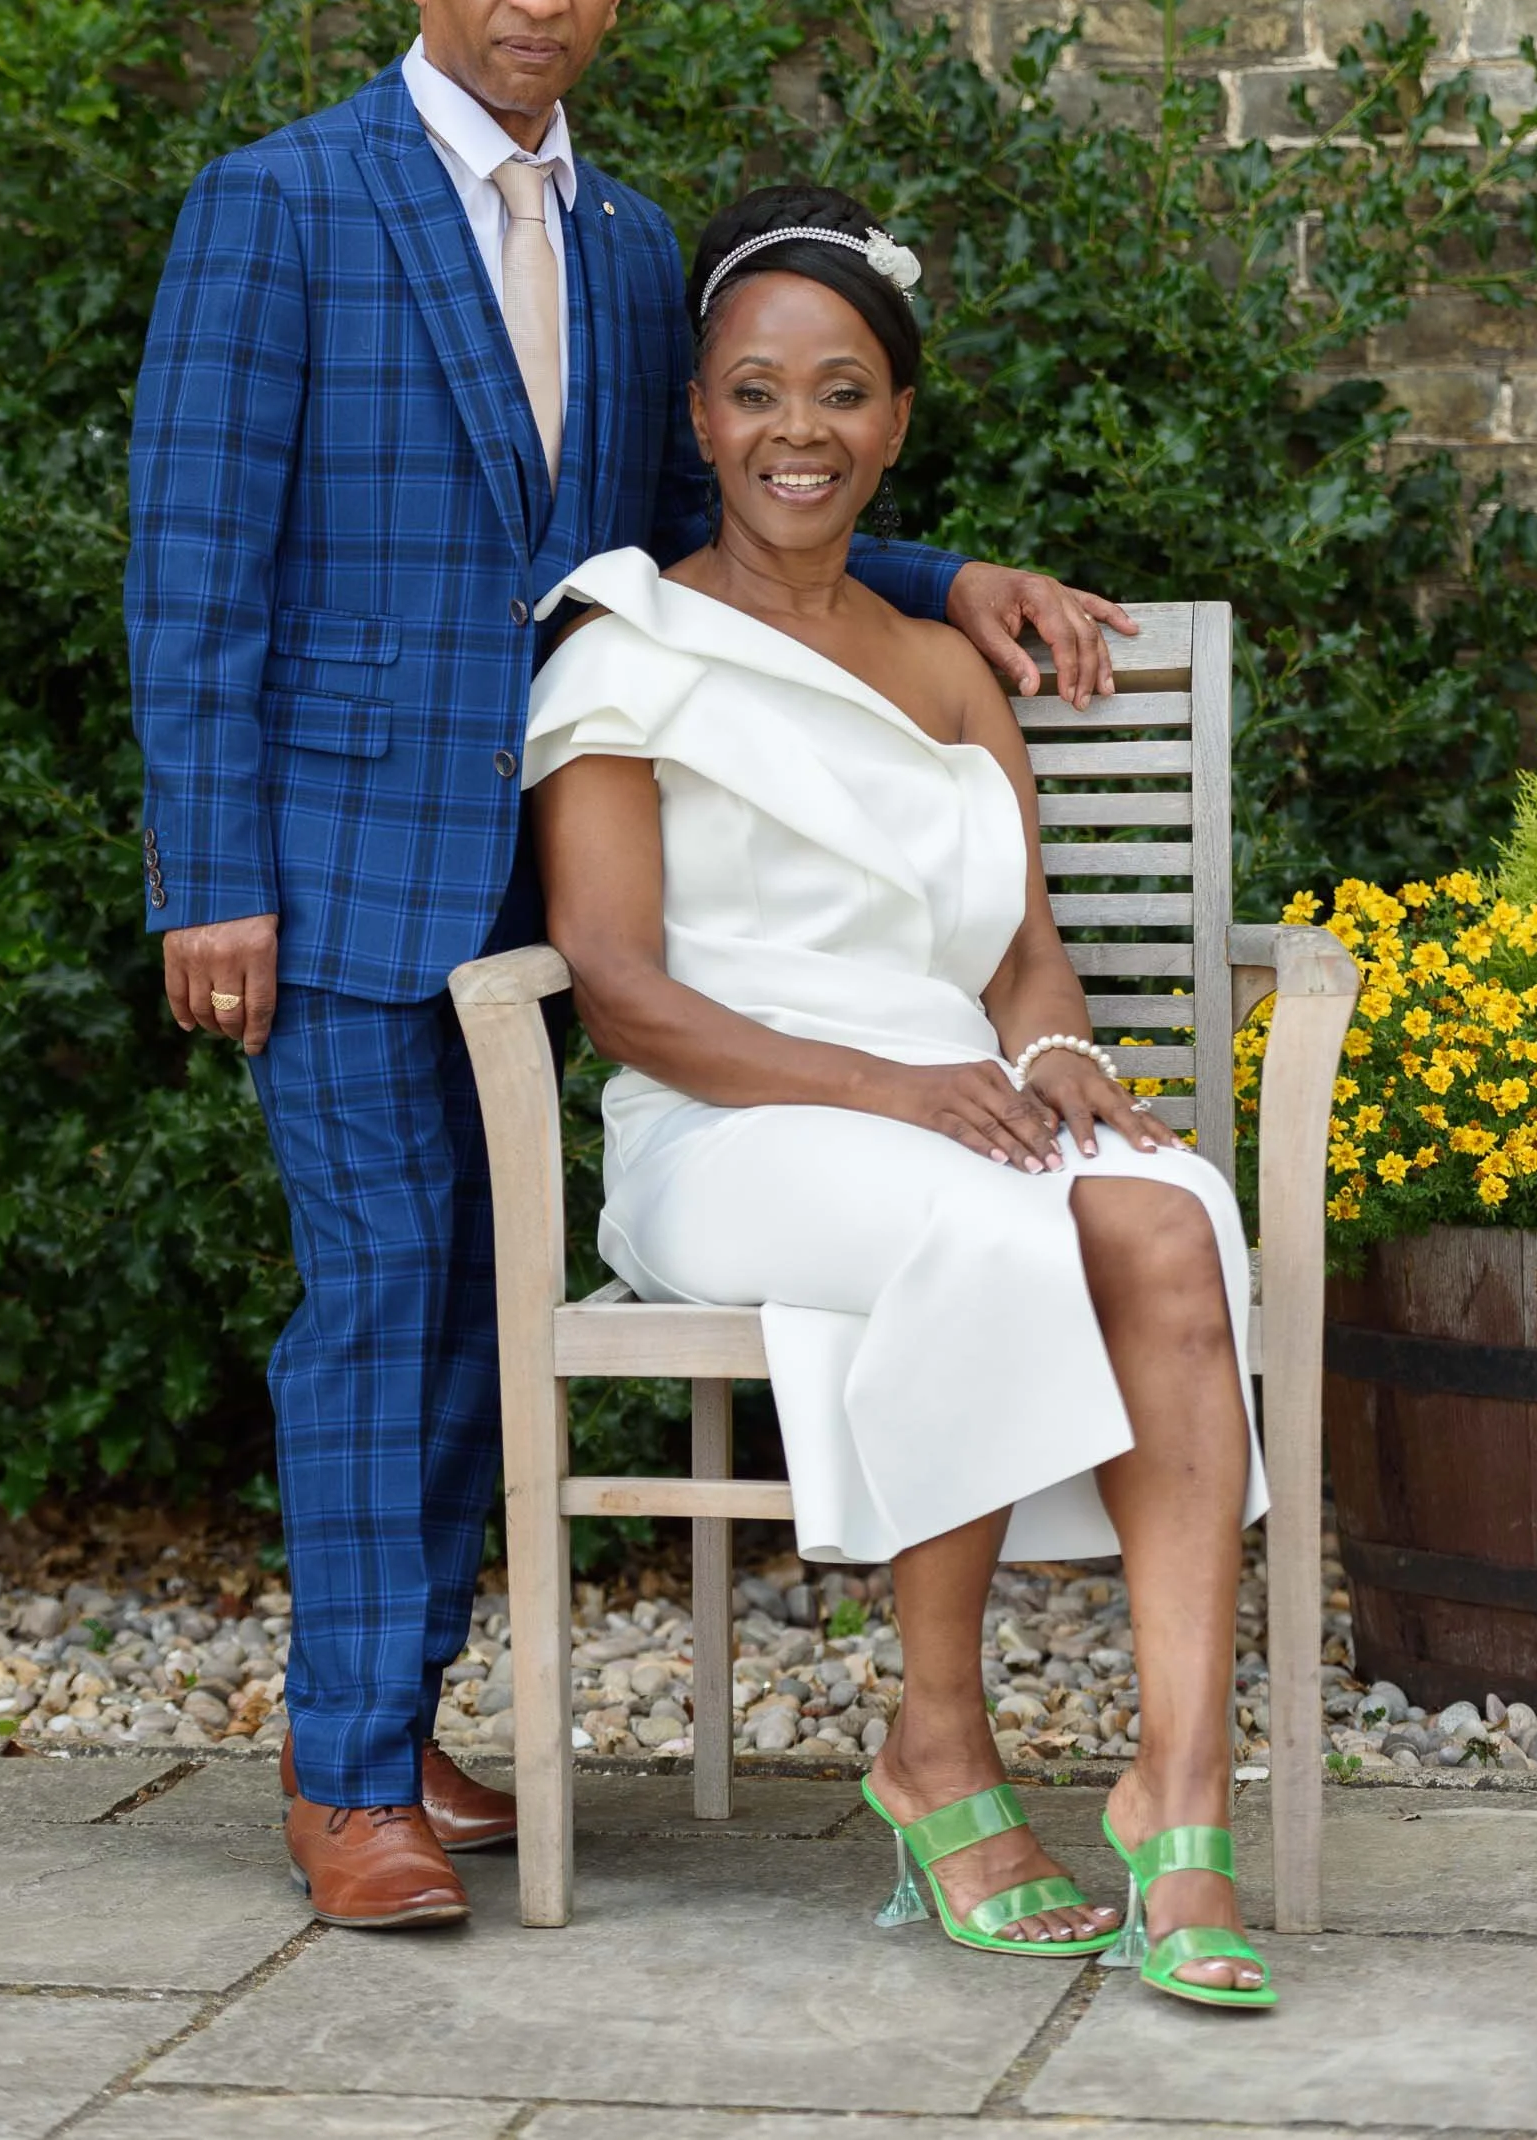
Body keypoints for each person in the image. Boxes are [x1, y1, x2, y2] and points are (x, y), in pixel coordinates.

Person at [125, 0, 1133, 1934]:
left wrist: (952, 575)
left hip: (573, 870)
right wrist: (208, 870)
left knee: (480, 1314)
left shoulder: (628, 235)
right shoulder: (279, 206)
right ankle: (343, 1778)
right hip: (332, 870)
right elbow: (195, 569)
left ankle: (394, 1719)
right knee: (381, 1296)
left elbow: (729, 493)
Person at [526, 182, 1275, 2010]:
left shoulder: (948, 669)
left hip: (948, 1092)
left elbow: (1016, 949)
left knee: (1174, 1216)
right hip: (731, 1120)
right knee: (983, 1218)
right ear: (697, 417)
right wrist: (906, 1091)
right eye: (757, 391)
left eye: (843, 391)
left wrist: (1058, 1056)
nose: (801, 431)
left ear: (898, 422)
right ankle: (941, 1746)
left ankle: (1179, 1808)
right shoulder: (625, 649)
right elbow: (622, 991)